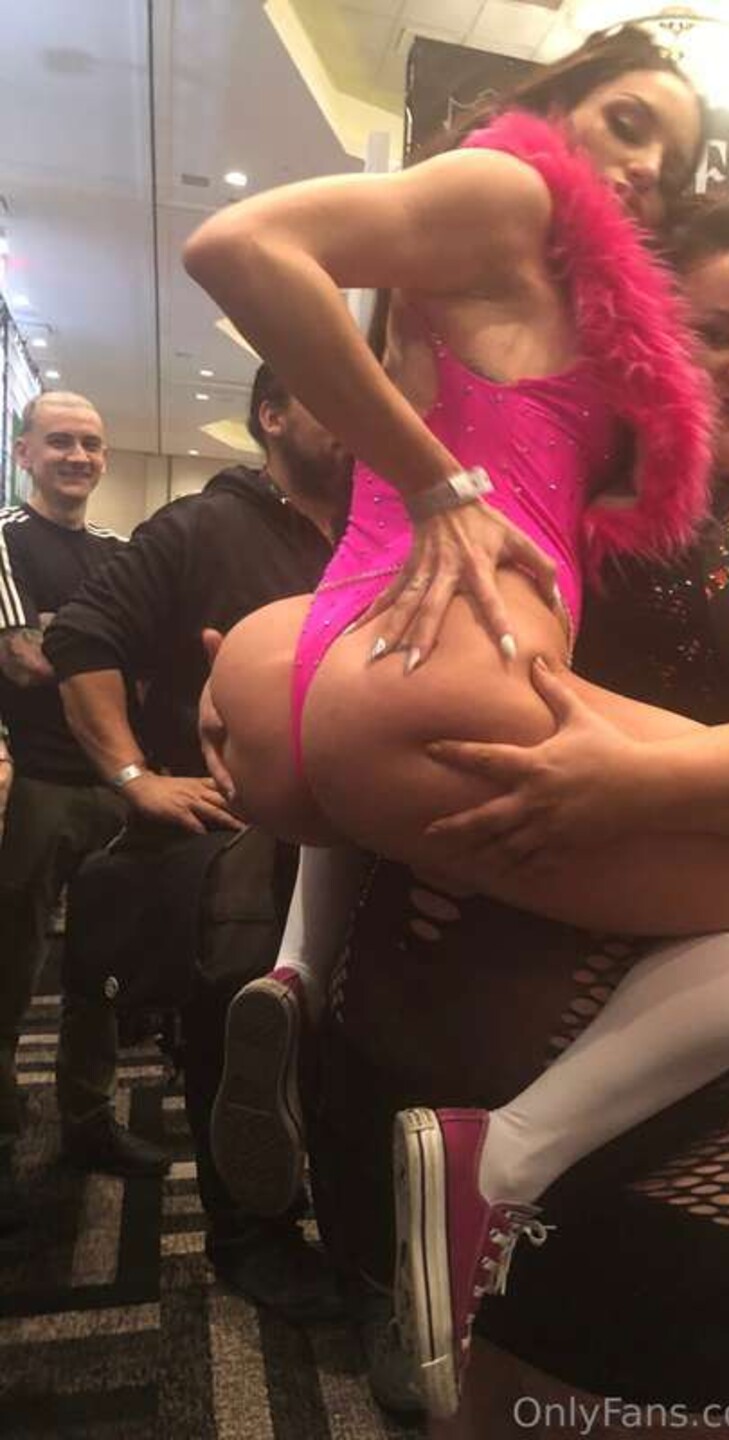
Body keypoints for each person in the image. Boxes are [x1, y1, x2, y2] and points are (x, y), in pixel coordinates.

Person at [280, 192, 729, 1437]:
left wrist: (627, 781)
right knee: (486, 1404)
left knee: (680, 1405)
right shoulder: (516, 484)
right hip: (461, 1060)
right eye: (713, 331)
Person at [42, 367, 353, 1320]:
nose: (359, 418)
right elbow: (82, 639)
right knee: (242, 1036)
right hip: (238, 843)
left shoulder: (373, 533)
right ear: (272, 414)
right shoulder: (199, 527)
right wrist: (135, 776)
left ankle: (344, 1216)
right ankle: (248, 1235)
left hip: (358, 837)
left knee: (344, 1042)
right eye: (333, 395)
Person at [0, 392, 170, 1236]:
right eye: (60, 441)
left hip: (114, 782)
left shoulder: (115, 551)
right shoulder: (3, 537)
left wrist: (62, 633)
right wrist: (95, 653)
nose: (78, 457)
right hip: (35, 785)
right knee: (11, 962)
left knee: (101, 966)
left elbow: (146, 665)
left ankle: (88, 1119)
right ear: (24, 452)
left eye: (93, 445)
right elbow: (21, 661)